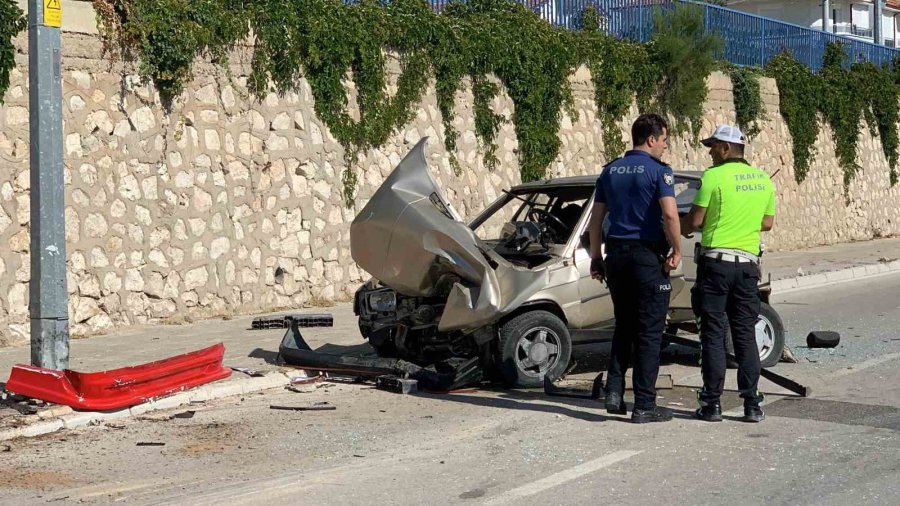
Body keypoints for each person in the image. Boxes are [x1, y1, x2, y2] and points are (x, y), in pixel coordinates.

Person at [588, 114, 682, 424]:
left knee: (624, 326)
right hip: (646, 257)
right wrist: (677, 249)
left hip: (615, 257)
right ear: (651, 139)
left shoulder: (610, 171)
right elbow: (670, 215)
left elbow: (595, 221)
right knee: (649, 332)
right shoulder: (659, 172)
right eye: (664, 140)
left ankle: (614, 393)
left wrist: (596, 258)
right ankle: (644, 404)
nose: (665, 146)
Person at [681, 124, 776, 423]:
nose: (710, 152)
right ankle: (752, 404)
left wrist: (677, 227)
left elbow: (695, 221)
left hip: (715, 265)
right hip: (747, 267)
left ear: (725, 148)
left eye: (713, 146)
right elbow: (768, 223)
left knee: (712, 334)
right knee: (745, 334)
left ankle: (712, 404)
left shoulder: (713, 177)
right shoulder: (763, 179)